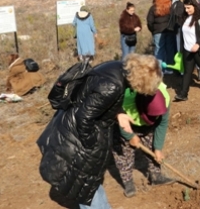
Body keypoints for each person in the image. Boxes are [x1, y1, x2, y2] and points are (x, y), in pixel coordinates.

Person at [37, 53, 162, 209]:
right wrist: (91, 145)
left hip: (73, 127)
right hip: (77, 137)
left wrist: (120, 112)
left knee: (91, 184)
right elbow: (84, 118)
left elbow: (100, 98)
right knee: (85, 183)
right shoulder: (113, 85)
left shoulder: (118, 68)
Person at [113, 79, 174, 198]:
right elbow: (120, 120)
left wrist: (158, 148)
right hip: (124, 123)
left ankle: (156, 176)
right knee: (123, 152)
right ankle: (128, 181)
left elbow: (162, 124)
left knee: (152, 146)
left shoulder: (164, 100)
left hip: (146, 124)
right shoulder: (126, 99)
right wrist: (130, 136)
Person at [174, 0, 200, 101]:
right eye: (185, 8)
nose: (186, 10)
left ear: (194, 6)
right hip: (187, 49)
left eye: (188, 8)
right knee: (188, 71)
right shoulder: (185, 17)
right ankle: (183, 94)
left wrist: (197, 44)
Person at [147, 0, 176, 65]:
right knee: (170, 49)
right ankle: (170, 68)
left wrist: (153, 30)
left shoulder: (153, 8)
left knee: (159, 50)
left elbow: (150, 21)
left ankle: (159, 70)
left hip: (158, 32)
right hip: (169, 30)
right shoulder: (170, 7)